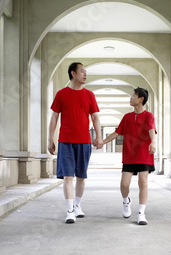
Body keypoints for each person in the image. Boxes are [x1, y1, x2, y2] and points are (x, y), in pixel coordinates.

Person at [48, 62, 103, 223]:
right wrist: (50, 139)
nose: (85, 74)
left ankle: (77, 205)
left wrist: (99, 136)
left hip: (84, 141)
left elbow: (95, 117)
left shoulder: (89, 95)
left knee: (81, 177)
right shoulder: (61, 94)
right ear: (73, 73)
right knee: (68, 177)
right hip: (65, 141)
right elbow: (54, 117)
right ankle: (69, 210)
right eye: (82, 71)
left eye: (85, 72)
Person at [95, 87, 157, 225]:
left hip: (145, 154)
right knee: (124, 184)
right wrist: (102, 142)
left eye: (133, 95)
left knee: (143, 182)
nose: (131, 98)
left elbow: (152, 129)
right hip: (130, 155)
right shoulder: (127, 117)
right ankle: (126, 201)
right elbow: (117, 132)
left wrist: (153, 142)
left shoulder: (148, 116)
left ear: (141, 99)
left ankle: (141, 213)